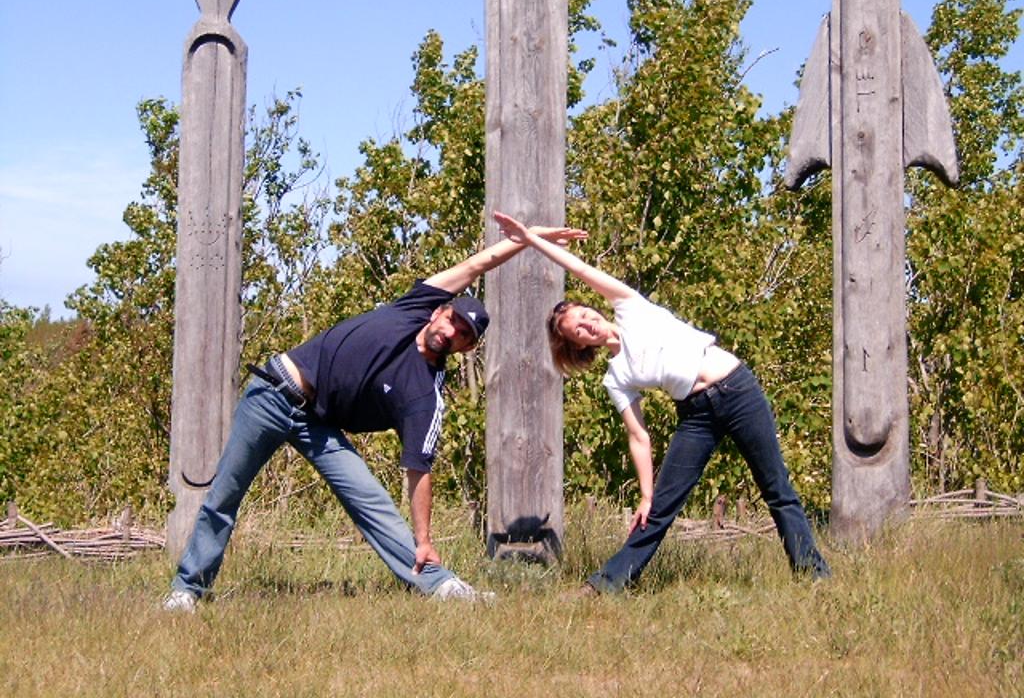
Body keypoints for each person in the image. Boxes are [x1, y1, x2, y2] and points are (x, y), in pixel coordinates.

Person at [163, 223, 587, 612]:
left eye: (464, 334)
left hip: (317, 426)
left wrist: (424, 539)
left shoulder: (425, 392)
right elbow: (479, 264)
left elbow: (419, 469)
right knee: (223, 497)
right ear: (441, 310)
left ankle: (440, 584)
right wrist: (530, 239)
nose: (453, 330)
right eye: (455, 319)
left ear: (467, 349)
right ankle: (188, 590)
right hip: (272, 395)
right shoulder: (415, 306)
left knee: (371, 501)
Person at [493, 211, 830, 594]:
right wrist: (646, 493)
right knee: (657, 512)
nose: (588, 324)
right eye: (579, 331)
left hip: (738, 390)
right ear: (579, 345)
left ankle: (813, 578)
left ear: (595, 309)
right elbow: (639, 437)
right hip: (697, 415)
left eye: (585, 315)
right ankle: (605, 585)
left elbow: (579, 268)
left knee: (776, 489)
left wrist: (531, 239)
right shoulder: (615, 376)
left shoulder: (630, 306)